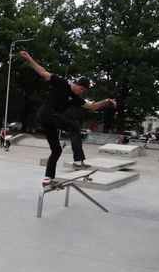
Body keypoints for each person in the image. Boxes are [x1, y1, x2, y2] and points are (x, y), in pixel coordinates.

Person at [19, 51, 117, 186]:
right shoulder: (61, 83)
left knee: (56, 150)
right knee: (74, 127)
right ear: (75, 83)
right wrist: (30, 58)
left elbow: (92, 106)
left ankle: (48, 178)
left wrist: (106, 101)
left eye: (83, 91)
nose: (81, 92)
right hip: (47, 113)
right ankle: (78, 160)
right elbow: (43, 72)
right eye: (81, 89)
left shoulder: (75, 98)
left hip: (48, 121)